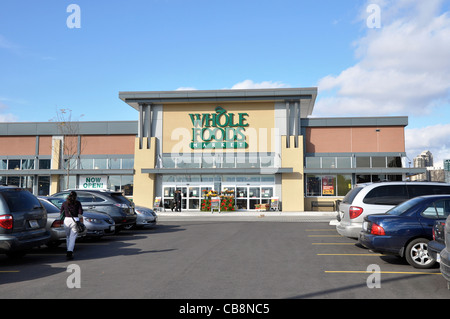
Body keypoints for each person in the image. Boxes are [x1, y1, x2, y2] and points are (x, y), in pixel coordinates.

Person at [60, 191, 83, 260]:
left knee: (68, 236)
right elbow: (80, 212)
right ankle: (69, 252)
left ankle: (68, 249)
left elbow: (61, 212)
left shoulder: (64, 203)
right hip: (75, 220)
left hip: (66, 220)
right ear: (75, 196)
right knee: (72, 237)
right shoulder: (78, 203)